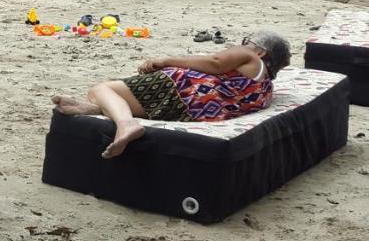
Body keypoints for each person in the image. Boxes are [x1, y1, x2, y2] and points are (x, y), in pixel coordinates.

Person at [51, 31, 291, 159]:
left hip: (181, 91)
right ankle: (92, 109)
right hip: (195, 111)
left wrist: (165, 60)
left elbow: (216, 62)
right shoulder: (264, 88)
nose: (241, 44)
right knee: (111, 97)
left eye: (246, 40)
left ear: (260, 50)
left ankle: (126, 125)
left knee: (100, 89)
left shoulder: (250, 56)